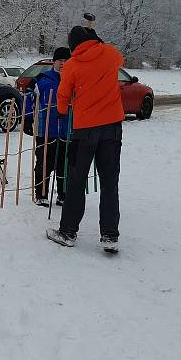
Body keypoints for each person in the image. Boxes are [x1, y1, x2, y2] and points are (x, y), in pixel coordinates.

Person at [46, 25, 125, 253]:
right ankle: (110, 235)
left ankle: (68, 231)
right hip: (112, 128)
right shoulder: (110, 53)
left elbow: (63, 94)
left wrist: (61, 110)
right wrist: (99, 41)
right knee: (110, 182)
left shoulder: (72, 65)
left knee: (77, 181)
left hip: (85, 130)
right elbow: (120, 60)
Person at [32, 47, 71, 207]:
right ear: (54, 61)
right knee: (44, 163)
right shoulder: (42, 79)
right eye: (60, 60)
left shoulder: (74, 79)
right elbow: (30, 99)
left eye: (66, 61)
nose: (62, 63)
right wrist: (28, 119)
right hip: (46, 129)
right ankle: (41, 194)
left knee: (65, 164)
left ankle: (63, 194)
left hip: (67, 129)